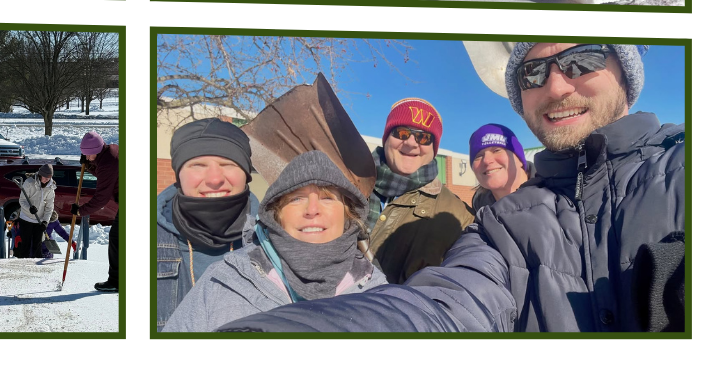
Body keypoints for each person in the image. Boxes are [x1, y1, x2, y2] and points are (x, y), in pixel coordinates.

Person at [215, 43, 686, 333]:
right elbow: (446, 304)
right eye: (533, 72)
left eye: (583, 59)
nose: (558, 86)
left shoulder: (456, 214)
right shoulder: (499, 229)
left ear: (625, 70)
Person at [163, 150, 387, 332]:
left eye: (327, 198)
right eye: (296, 198)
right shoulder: (225, 279)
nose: (312, 209)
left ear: (348, 214)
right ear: (276, 214)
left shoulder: (378, 294)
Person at [155, 117, 260, 331]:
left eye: (228, 164)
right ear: (179, 175)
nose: (214, 179)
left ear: (247, 174)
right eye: (198, 165)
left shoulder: (274, 241)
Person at [366, 97, 474, 283]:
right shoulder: (345, 184)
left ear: (434, 148)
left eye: (423, 137)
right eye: (401, 133)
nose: (411, 143)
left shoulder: (459, 216)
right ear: (386, 138)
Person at [71, 131, 119, 292]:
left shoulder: (108, 162)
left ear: (96, 150)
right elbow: (104, 174)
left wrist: (80, 211)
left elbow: (101, 198)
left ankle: (115, 281)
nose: (87, 157)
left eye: (88, 155)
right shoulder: (110, 151)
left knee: (117, 238)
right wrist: (90, 165)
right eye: (84, 154)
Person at [468, 123, 530, 212]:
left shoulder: (552, 193)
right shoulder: (478, 213)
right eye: (479, 156)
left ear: (519, 158)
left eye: (497, 150)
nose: (486, 160)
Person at [18, 163, 56, 259]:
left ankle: (36, 268)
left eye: (49, 178)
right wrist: (29, 208)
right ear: (40, 174)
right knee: (25, 245)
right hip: (26, 218)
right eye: (45, 177)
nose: (46, 180)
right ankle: (22, 264)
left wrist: (45, 221)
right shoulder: (29, 183)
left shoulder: (51, 188)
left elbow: (49, 207)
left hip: (39, 220)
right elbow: (22, 200)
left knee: (37, 246)